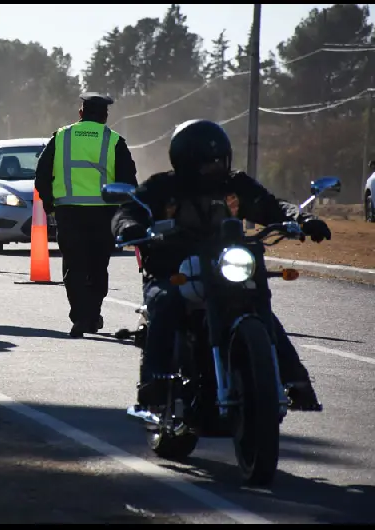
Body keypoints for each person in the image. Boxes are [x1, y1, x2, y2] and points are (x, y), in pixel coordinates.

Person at [111, 119, 329, 411]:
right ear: (186, 162)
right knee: (165, 303)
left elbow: (272, 205)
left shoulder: (235, 184)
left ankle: (295, 380)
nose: (216, 168)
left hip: (224, 266)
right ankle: (154, 385)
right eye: (207, 163)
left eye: (219, 161)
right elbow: (130, 209)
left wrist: (301, 219)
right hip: (174, 269)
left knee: (260, 307)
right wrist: (129, 226)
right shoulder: (163, 186)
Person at [35, 92, 139, 338]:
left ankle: (80, 316)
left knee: (74, 265)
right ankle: (92, 315)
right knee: (98, 266)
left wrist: (50, 203)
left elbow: (41, 174)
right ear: (105, 116)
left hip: (68, 211)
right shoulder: (114, 140)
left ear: (81, 113)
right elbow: (128, 182)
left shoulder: (61, 137)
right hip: (104, 215)